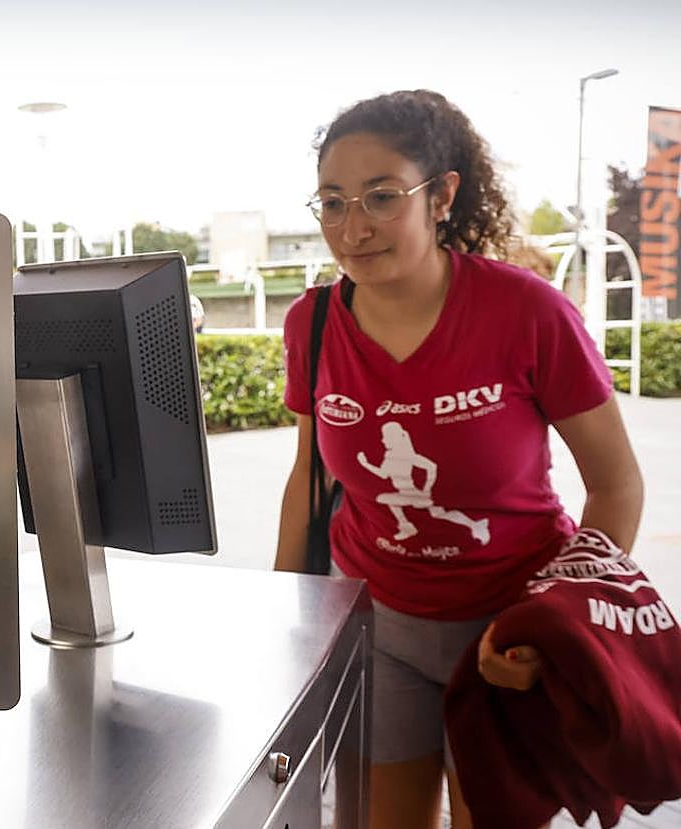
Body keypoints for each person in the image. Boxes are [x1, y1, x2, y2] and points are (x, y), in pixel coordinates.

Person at [273, 90, 644, 829]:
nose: (354, 227)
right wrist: (287, 616)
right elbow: (310, 480)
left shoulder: (527, 312)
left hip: (507, 629)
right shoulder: (311, 324)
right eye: (333, 202)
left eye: (381, 197)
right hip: (376, 621)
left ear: (441, 195)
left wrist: (553, 626)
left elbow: (616, 484)